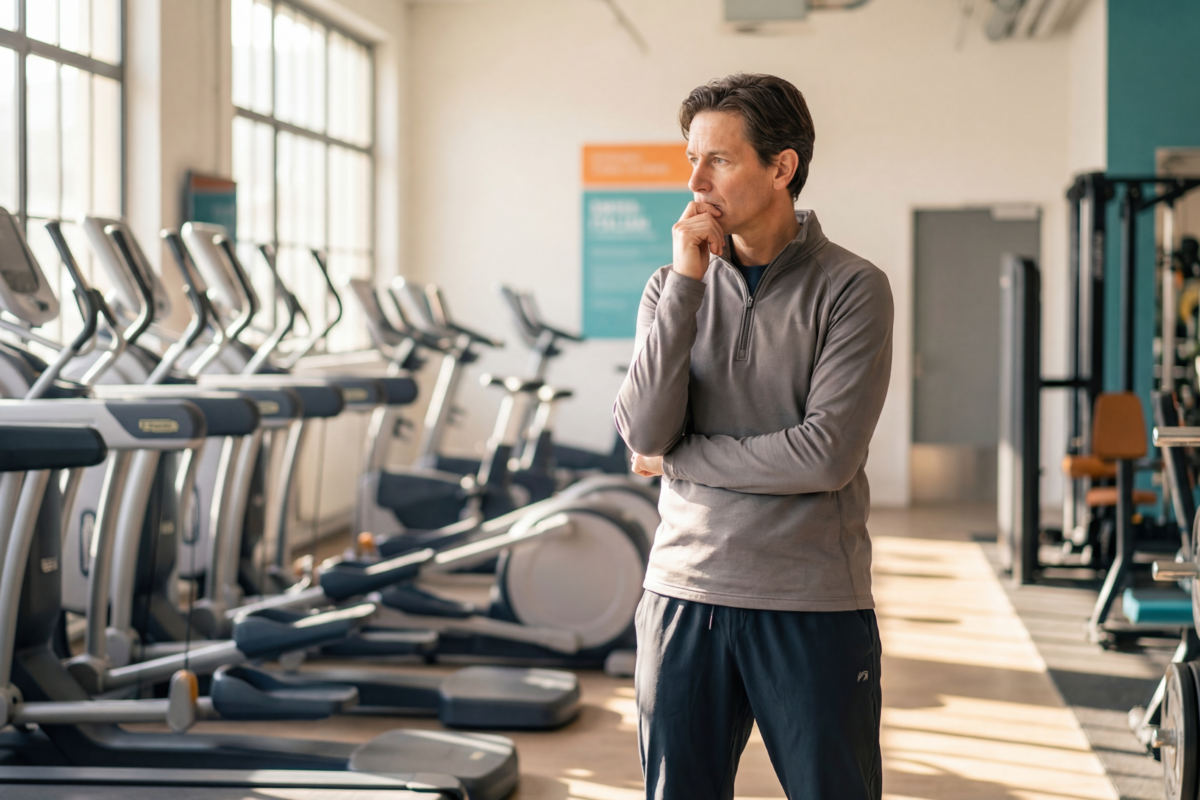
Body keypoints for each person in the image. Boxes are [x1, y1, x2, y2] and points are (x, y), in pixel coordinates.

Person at [613, 73, 893, 800]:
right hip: (680, 593)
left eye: (720, 160)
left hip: (812, 603)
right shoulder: (668, 287)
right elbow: (642, 429)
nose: (695, 180)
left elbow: (825, 454)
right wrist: (685, 283)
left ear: (781, 167)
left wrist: (683, 459)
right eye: (690, 158)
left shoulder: (853, 288)